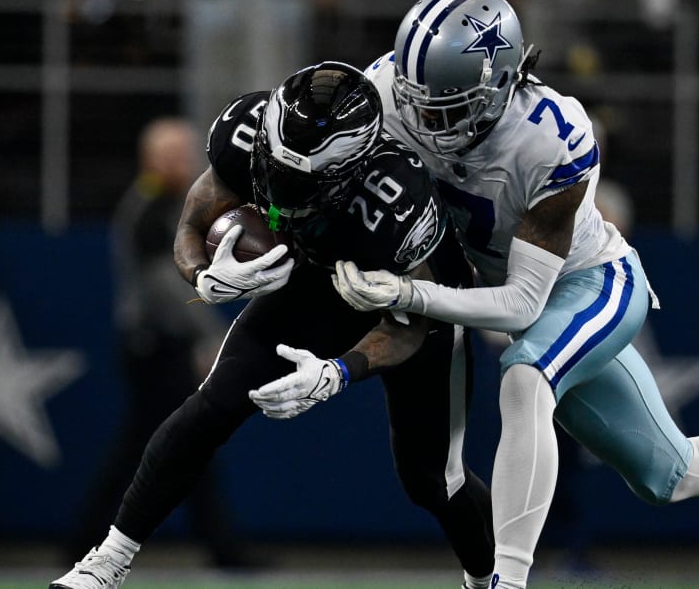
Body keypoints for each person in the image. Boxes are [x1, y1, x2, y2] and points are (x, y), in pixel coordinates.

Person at [266, 0, 699, 588]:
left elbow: (522, 305)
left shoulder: (551, 137)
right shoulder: (390, 89)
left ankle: (506, 581)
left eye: (445, 108)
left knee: (524, 375)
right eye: (416, 102)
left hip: (593, 285)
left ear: (500, 84)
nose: (424, 123)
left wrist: (407, 294)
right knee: (672, 472)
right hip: (524, 298)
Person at [50, 61, 496, 589]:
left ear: (350, 171)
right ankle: (107, 563)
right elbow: (192, 221)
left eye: (299, 182)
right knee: (211, 407)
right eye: (273, 168)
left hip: (414, 300)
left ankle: (494, 581)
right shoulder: (244, 130)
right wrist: (203, 275)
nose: (278, 195)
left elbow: (411, 326)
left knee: (430, 479)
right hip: (313, 279)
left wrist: (340, 371)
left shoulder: (397, 203)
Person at [61, 117, 248, 569]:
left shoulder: (163, 204)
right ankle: (218, 547)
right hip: (154, 345)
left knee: (166, 444)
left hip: (159, 344)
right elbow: (164, 286)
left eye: (187, 154)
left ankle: (88, 537)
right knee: (175, 443)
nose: (183, 164)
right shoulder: (149, 208)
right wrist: (211, 335)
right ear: (151, 159)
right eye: (173, 155)